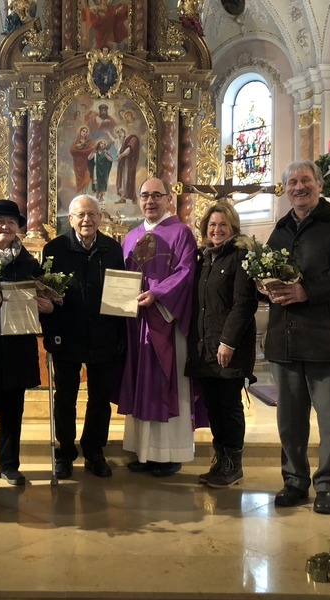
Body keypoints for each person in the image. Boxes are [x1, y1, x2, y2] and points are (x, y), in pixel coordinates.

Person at [263, 160, 330, 515]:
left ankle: (328, 487)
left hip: (326, 338)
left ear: (319, 185)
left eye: (305, 180)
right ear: (286, 189)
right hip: (285, 339)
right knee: (290, 422)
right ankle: (294, 481)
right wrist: (263, 286)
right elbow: (267, 272)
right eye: (292, 181)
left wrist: (307, 290)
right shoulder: (279, 229)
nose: (298, 187)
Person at [117, 177, 200, 477]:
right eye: (144, 196)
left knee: (167, 383)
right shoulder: (130, 236)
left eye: (156, 195)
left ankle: (169, 454)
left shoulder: (181, 233)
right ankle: (143, 451)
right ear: (138, 200)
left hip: (165, 320)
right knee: (141, 383)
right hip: (136, 324)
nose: (150, 201)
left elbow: (187, 272)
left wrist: (157, 295)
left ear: (168, 199)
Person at [40, 194, 126, 479]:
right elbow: (45, 295)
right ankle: (65, 452)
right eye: (81, 215)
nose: (87, 220)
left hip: (104, 335)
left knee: (100, 398)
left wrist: (120, 335)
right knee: (65, 397)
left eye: (92, 214)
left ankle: (94, 451)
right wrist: (50, 334)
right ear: (71, 219)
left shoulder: (113, 249)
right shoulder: (55, 248)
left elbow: (121, 294)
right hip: (68, 335)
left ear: (100, 217)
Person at [0, 199, 53, 485]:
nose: (5, 226)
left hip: (16, 345)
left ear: (17, 228)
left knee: (12, 410)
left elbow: (44, 298)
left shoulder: (29, 262)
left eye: (11, 222)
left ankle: (9, 464)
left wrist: (48, 307)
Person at [185, 203, 258, 488]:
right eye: (212, 225)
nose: (216, 230)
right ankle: (220, 460)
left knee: (229, 405)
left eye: (223, 225)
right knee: (213, 406)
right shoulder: (203, 259)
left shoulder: (241, 256)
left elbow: (244, 304)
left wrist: (227, 342)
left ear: (233, 228)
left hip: (228, 347)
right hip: (205, 346)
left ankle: (233, 464)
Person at [109, 126, 140, 203]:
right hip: (122, 162)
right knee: (122, 180)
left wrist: (121, 156)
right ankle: (123, 198)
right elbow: (114, 141)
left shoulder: (131, 138)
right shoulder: (120, 141)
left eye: (119, 132)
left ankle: (133, 198)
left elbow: (129, 149)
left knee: (128, 179)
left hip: (128, 162)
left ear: (123, 131)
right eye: (117, 133)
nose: (118, 134)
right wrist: (108, 133)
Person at [70, 126, 96, 194]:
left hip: (87, 163)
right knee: (80, 181)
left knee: (88, 177)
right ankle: (81, 198)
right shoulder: (75, 143)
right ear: (80, 132)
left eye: (86, 132)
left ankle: (88, 196)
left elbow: (93, 148)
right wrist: (78, 146)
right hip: (78, 165)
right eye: (83, 131)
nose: (85, 133)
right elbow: (72, 150)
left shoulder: (89, 142)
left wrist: (84, 148)